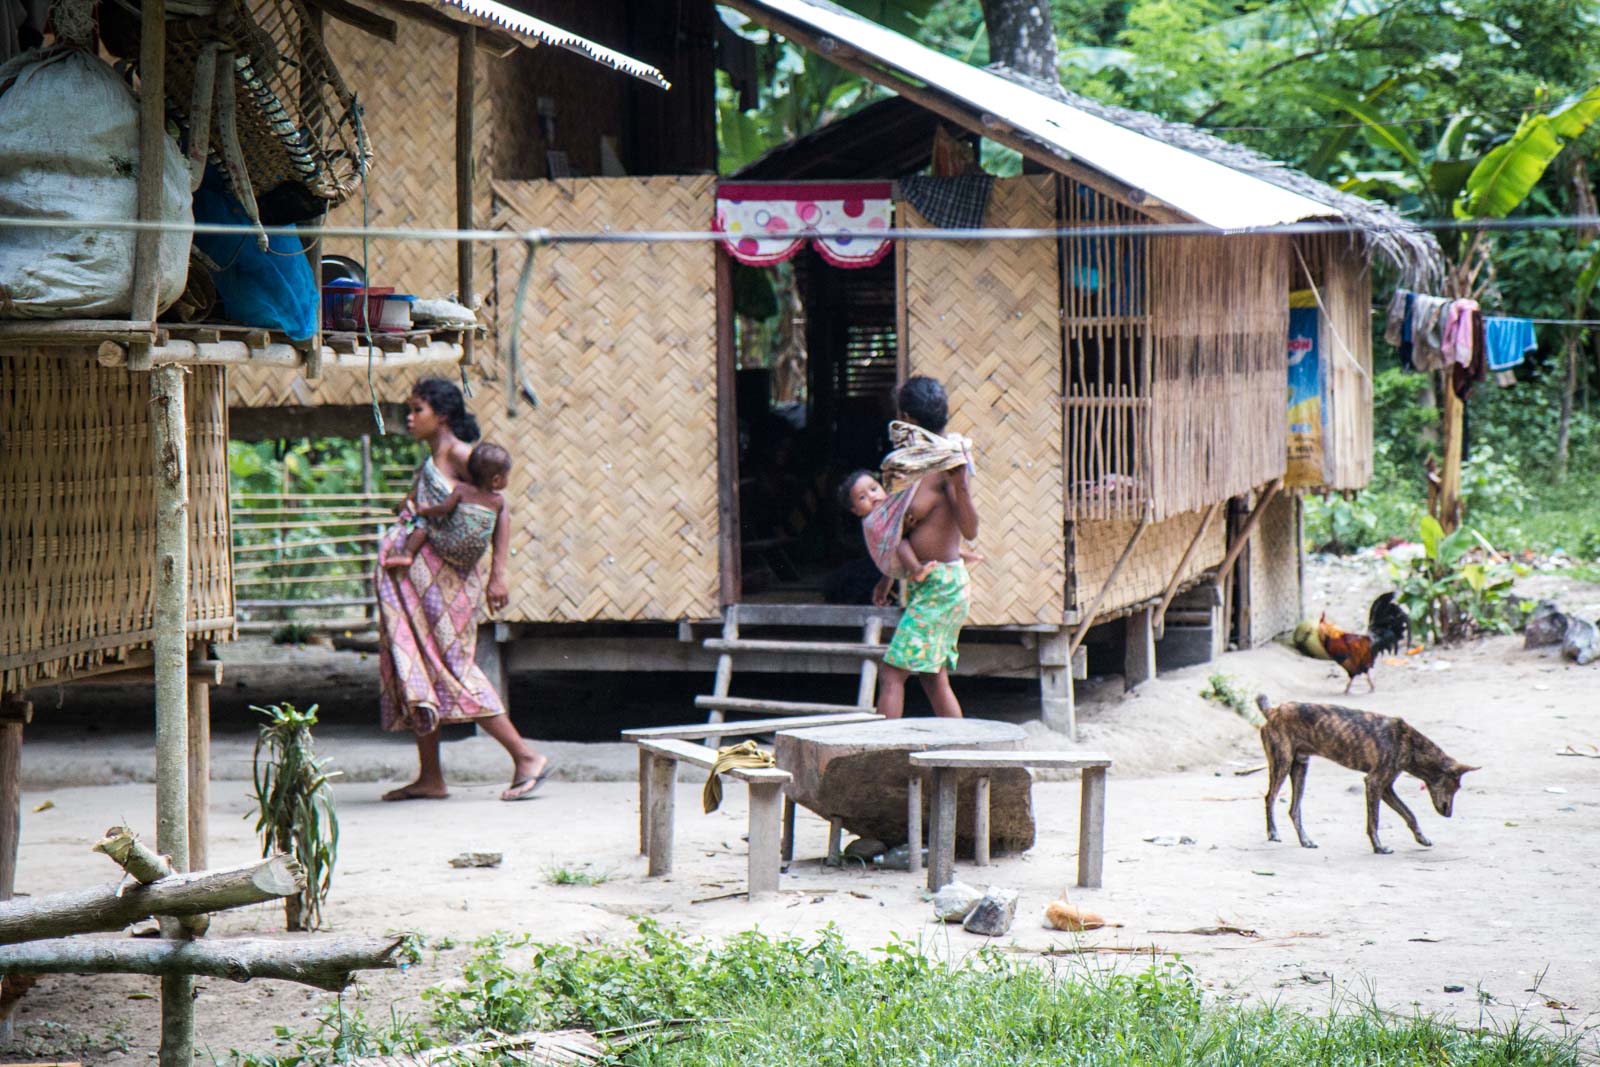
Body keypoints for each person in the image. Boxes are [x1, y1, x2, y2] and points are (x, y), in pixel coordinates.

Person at [374, 379, 551, 802]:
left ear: (444, 415)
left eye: (418, 409)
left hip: (448, 584)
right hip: (417, 582)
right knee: (416, 664)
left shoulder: (461, 455)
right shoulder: (433, 458)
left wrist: (499, 574)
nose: (410, 418)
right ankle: (431, 776)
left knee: (452, 666)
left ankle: (525, 757)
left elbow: (499, 507)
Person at [869, 377, 980, 719]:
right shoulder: (914, 466)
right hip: (931, 584)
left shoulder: (949, 466)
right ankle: (961, 755)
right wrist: (887, 579)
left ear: (908, 418)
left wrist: (961, 487)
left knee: (891, 674)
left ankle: (879, 758)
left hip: (942, 586)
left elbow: (970, 530)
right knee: (933, 678)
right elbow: (900, 531)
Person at [384, 442, 511, 573]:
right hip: (471, 558)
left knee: (424, 522)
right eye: (507, 476)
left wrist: (425, 510)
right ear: (496, 480)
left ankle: (407, 554)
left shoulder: (462, 490)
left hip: (447, 546)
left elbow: (443, 509)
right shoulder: (498, 502)